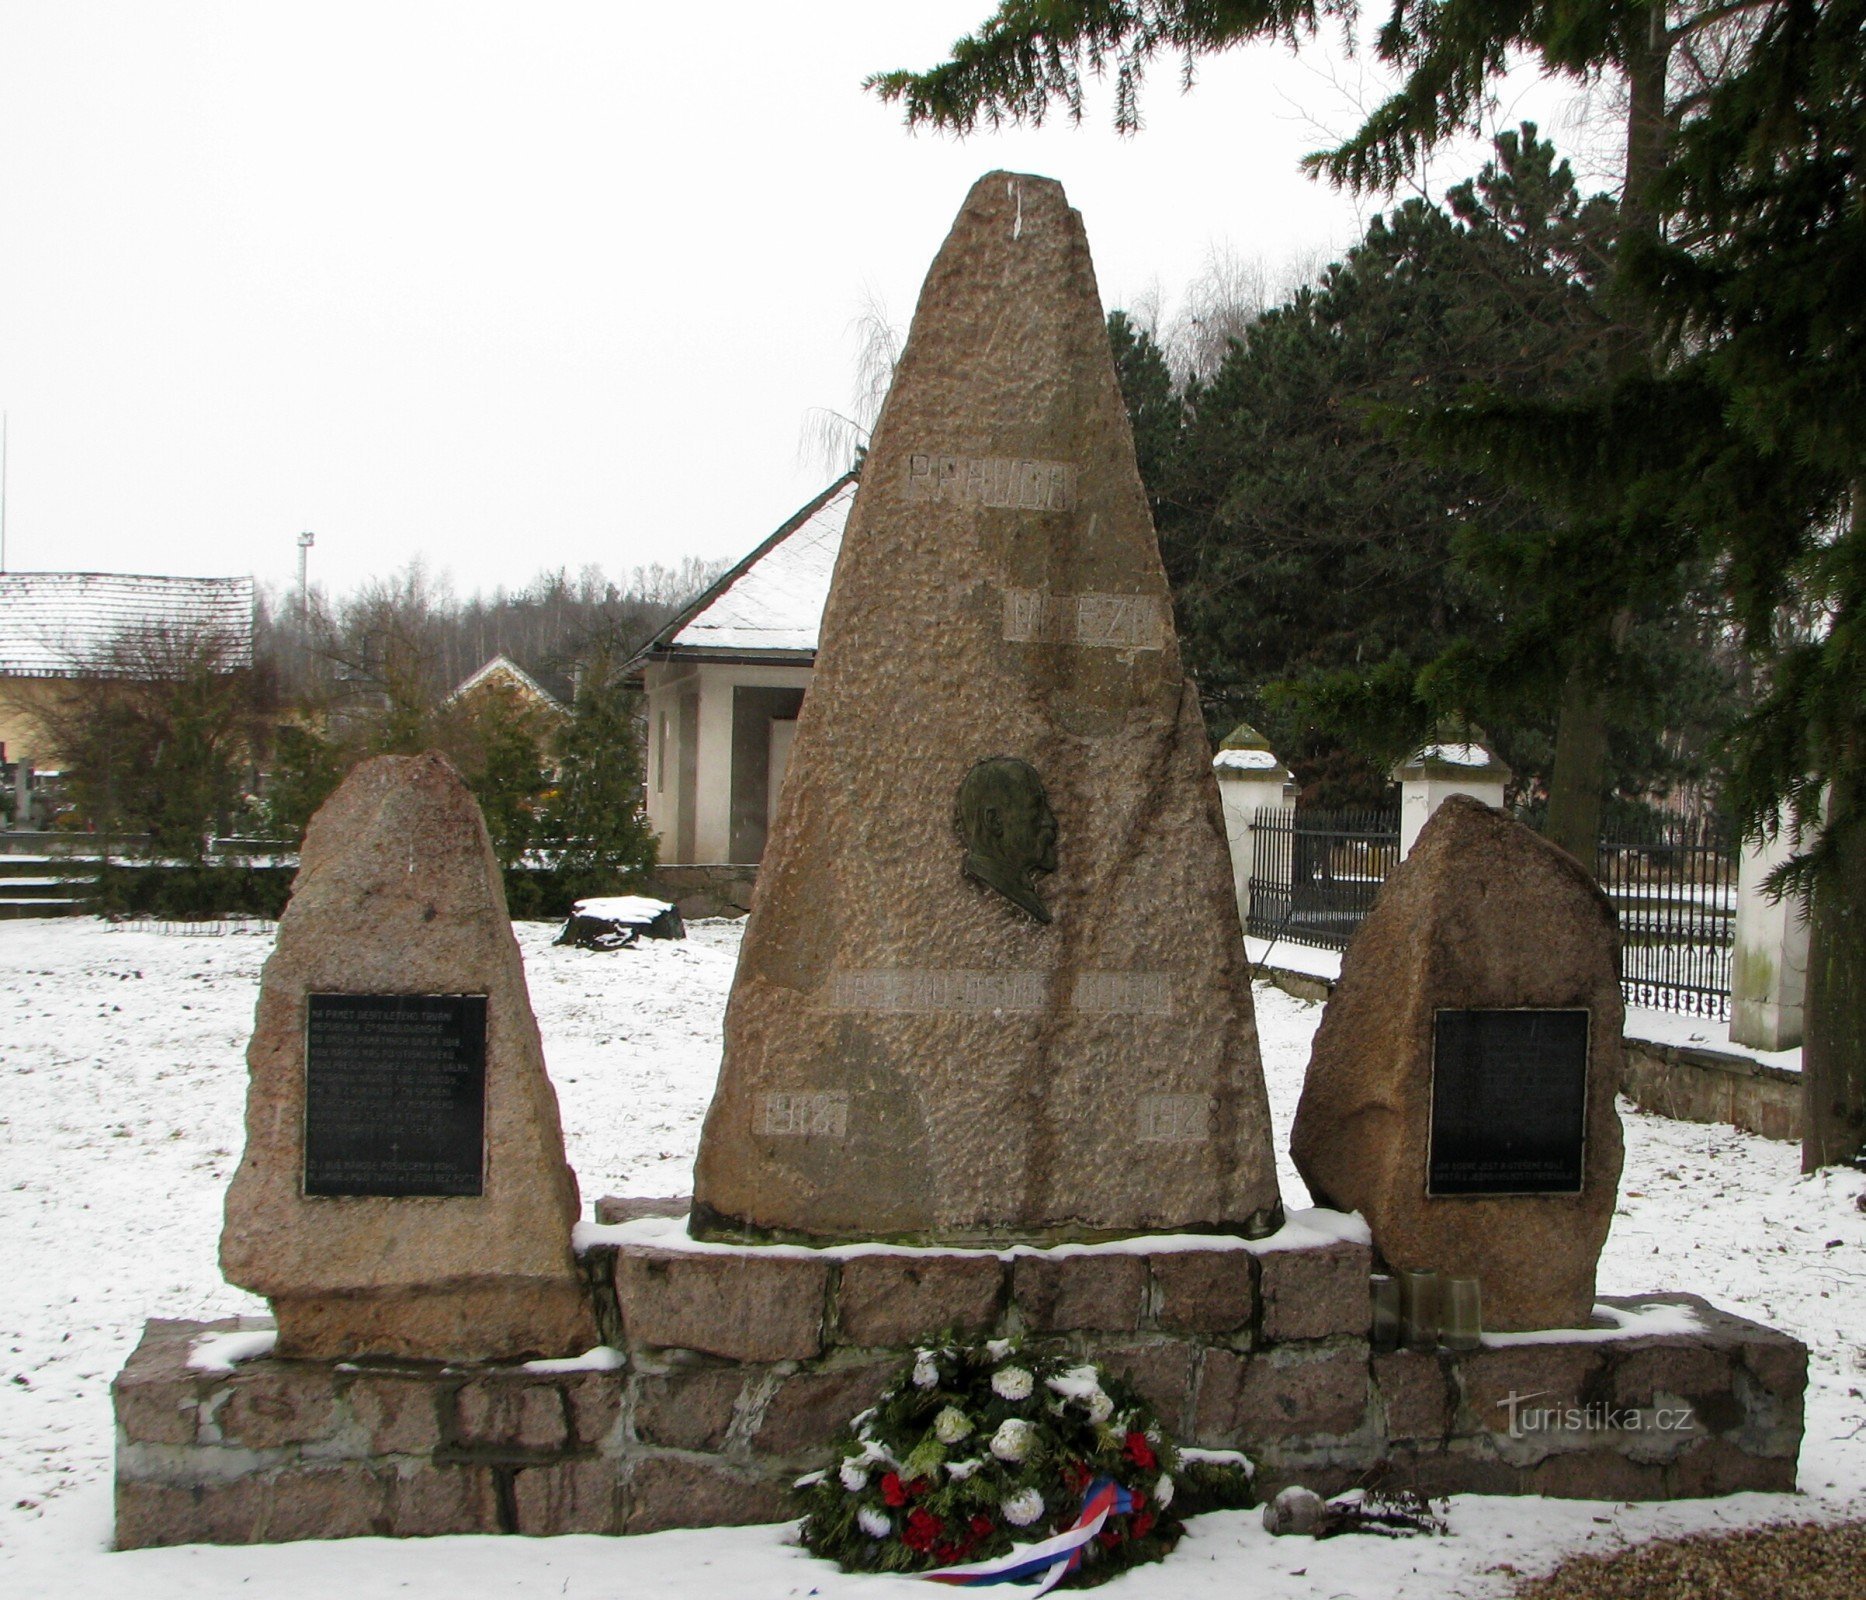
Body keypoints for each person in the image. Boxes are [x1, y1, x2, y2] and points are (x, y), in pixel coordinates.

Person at [954, 756, 1058, 923]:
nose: (1050, 822)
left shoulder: (1017, 895)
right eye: (1036, 809)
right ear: (995, 821)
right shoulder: (985, 904)